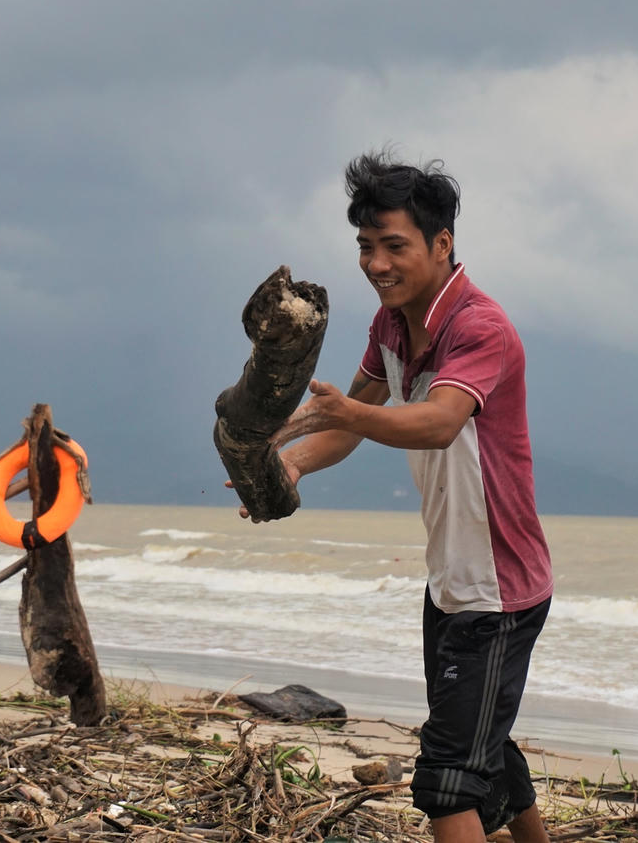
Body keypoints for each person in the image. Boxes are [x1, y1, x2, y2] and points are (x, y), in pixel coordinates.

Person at [230, 151, 553, 843]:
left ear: (442, 244)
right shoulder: (391, 324)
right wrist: (284, 464)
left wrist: (342, 414)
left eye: (395, 246)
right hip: (452, 583)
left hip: (500, 594)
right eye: (366, 247)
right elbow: (340, 419)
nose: (377, 263)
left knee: (444, 780)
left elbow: (436, 422)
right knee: (483, 749)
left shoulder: (479, 327)